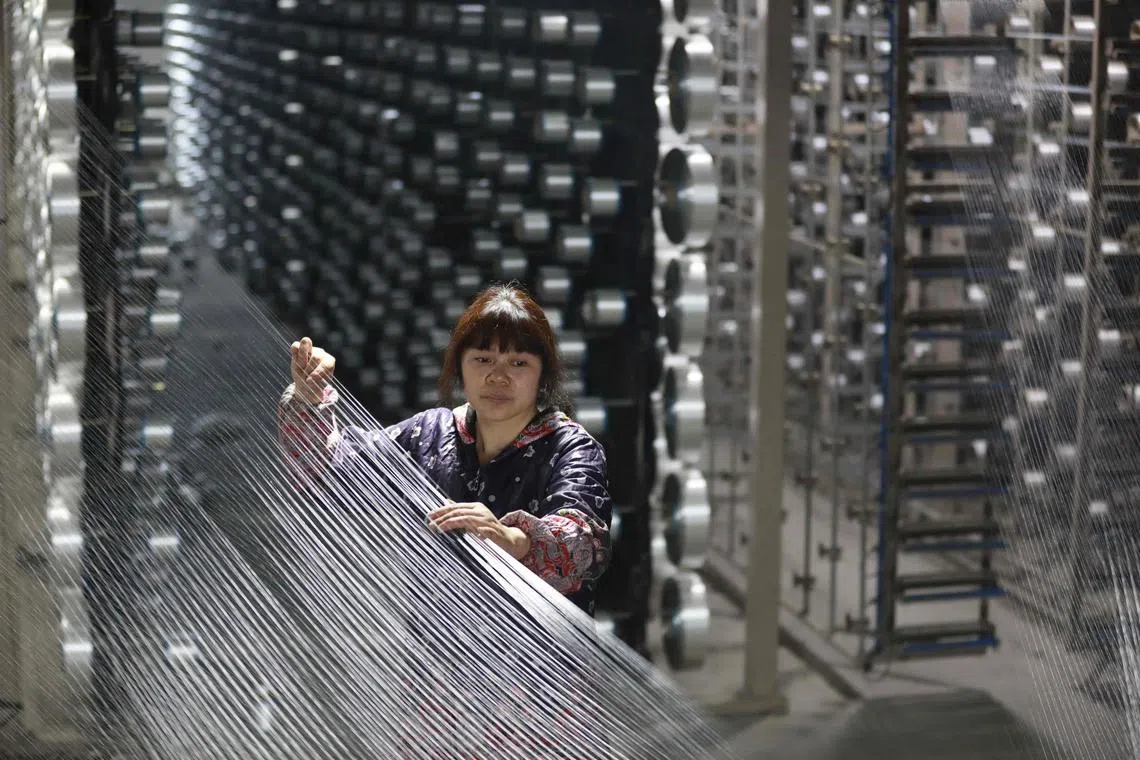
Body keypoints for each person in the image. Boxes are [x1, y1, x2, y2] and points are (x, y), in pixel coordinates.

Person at [277, 283, 612, 615]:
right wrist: (309, 397)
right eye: (483, 358)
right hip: (436, 662)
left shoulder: (570, 448)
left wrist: (512, 539)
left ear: (543, 375)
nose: (498, 377)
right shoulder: (430, 433)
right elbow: (327, 475)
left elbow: (583, 543)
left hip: (540, 663)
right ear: (460, 367)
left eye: (518, 363)